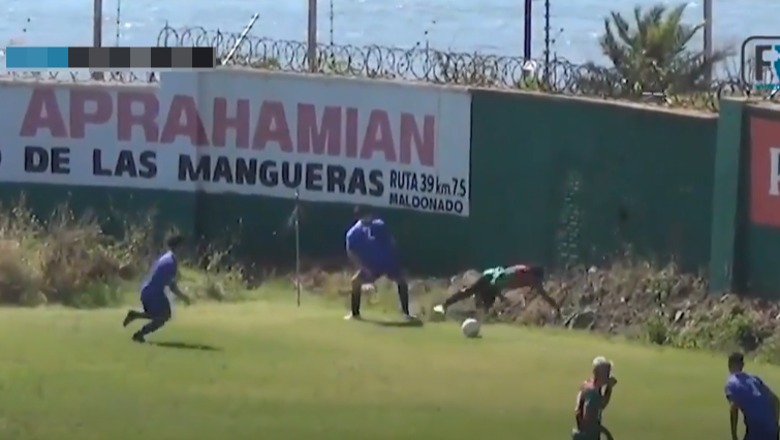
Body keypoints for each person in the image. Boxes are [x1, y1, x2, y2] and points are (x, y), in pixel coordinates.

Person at [345, 206, 414, 321]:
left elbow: (391, 242)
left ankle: (406, 314)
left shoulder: (380, 225)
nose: (369, 218)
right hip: (371, 266)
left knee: (402, 280)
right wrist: (362, 267)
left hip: (388, 262)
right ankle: (355, 314)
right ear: (359, 217)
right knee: (355, 282)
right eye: (366, 216)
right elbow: (351, 251)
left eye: (370, 215)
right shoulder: (353, 233)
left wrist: (392, 258)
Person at [122, 234, 191, 343]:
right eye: (183, 246)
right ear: (178, 246)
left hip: (148, 291)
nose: (185, 249)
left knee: (160, 315)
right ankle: (139, 334)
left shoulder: (167, 257)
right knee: (164, 316)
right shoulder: (171, 262)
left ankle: (135, 316)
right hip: (153, 294)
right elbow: (171, 285)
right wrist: (183, 297)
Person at [432, 264, 559, 316]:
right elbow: (496, 281)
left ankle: (463, 315)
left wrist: (556, 308)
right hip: (490, 278)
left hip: (495, 285)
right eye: (537, 280)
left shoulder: (533, 281)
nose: (537, 284)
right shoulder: (518, 273)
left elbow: (545, 295)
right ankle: (444, 305)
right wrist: (500, 297)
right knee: (469, 291)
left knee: (484, 310)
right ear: (532, 275)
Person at [725, 352, 780, 440]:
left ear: (729, 364)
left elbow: (733, 408)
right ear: (742, 365)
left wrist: (734, 435)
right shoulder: (754, 378)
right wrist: (775, 423)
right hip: (772, 428)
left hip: (756, 427)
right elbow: (775, 400)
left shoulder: (732, 382)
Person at [572, 356, 617, 440]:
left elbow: (601, 405)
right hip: (587, 436)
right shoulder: (593, 392)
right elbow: (588, 421)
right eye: (607, 373)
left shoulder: (590, 385)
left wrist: (609, 388)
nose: (609, 376)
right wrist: (607, 433)